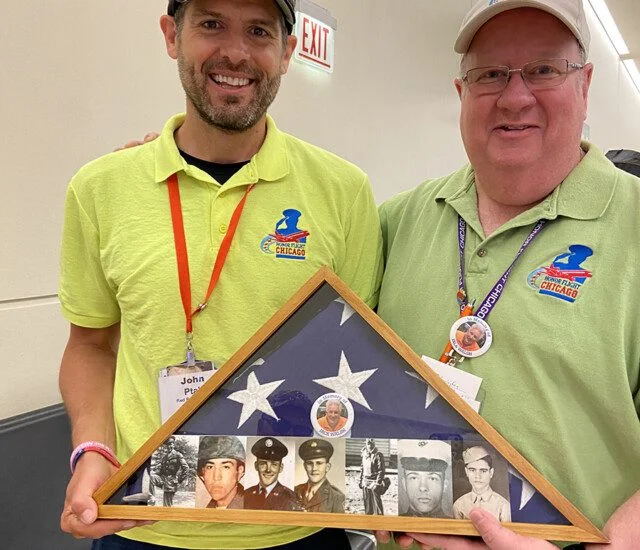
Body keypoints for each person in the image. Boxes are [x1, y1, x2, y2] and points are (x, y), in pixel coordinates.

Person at [58, 0, 381, 548]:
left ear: (287, 51)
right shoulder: (100, 189)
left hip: (296, 526)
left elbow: (357, 359)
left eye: (259, 31)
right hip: (141, 522)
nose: (235, 51)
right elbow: (90, 344)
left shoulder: (343, 192)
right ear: (171, 35)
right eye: (210, 24)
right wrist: (93, 450)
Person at [376, 0, 640, 547]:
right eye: (491, 74)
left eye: (543, 70)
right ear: (462, 93)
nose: (515, 97)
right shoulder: (398, 221)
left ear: (585, 83)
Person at [452, 446, 510, 522]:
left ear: (491, 473)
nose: (477, 476)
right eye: (472, 470)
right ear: (466, 472)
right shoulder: (459, 505)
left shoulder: (503, 505)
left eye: (483, 471)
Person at [244, 437, 303, 511]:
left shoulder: (291, 497)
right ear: (256, 466)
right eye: (263, 463)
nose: (268, 470)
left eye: (274, 464)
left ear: (280, 468)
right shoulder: (246, 494)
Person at [399, 439, 452, 518]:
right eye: (413, 478)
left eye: (432, 478)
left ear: (444, 485)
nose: (423, 487)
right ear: (404, 484)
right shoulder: (390, 525)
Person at [294, 439, 345, 513]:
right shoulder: (295, 491)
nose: (314, 468)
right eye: (309, 463)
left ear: (327, 467)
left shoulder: (336, 497)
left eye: (319, 463)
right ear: (305, 466)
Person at [197, 435, 245, 509]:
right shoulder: (206, 510)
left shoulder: (252, 506)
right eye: (210, 467)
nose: (216, 477)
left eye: (226, 467)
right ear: (202, 473)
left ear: (239, 472)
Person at [150, 436, 189, 507]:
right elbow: (161, 471)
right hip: (164, 480)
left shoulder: (178, 455)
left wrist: (180, 480)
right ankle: (151, 497)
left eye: (171, 444)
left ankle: (168, 516)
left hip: (171, 482)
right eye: (167, 445)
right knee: (152, 477)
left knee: (167, 504)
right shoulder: (164, 457)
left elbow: (186, 468)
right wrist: (154, 472)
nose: (169, 446)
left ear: (173, 445)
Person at [359, 438, 386, 515]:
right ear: (366, 444)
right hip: (365, 482)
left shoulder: (378, 455)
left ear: (374, 444)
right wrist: (361, 480)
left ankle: (380, 521)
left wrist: (378, 483)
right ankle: (368, 520)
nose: (369, 445)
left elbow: (381, 470)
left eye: (371, 443)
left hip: (374, 482)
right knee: (367, 505)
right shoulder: (364, 454)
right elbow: (362, 468)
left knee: (377, 506)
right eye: (368, 443)